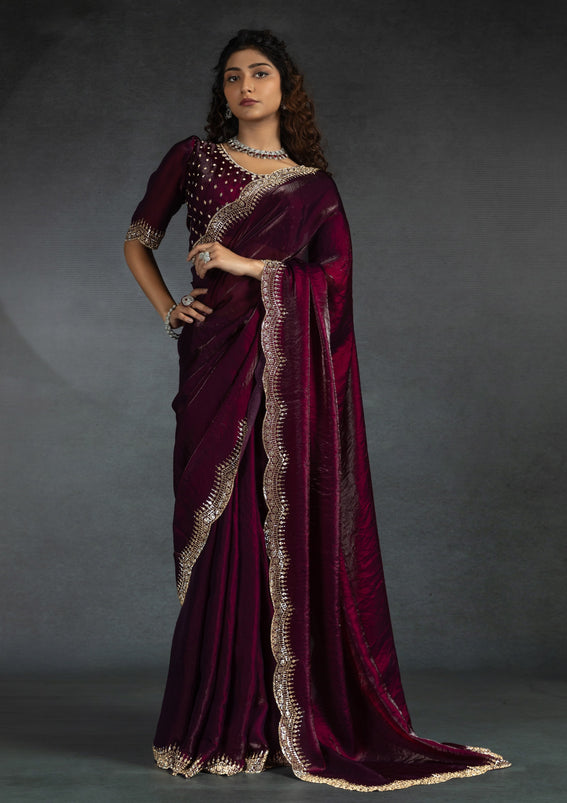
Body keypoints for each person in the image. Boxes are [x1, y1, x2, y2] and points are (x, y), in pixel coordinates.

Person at [123, 28, 509, 792]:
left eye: (260, 73)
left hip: (281, 379)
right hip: (213, 365)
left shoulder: (314, 189)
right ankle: (214, 719)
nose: (245, 86)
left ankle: (271, 723)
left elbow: (331, 283)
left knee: (271, 534)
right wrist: (168, 308)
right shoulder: (194, 158)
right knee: (218, 534)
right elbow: (139, 238)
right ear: (223, 91)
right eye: (232, 77)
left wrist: (245, 263)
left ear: (285, 86)